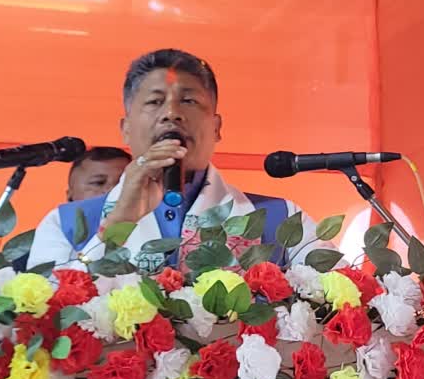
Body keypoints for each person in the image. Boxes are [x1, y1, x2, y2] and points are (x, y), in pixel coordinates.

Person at [25, 48, 333, 273]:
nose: (172, 113)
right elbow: (44, 320)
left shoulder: (280, 219)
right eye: (155, 101)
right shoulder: (66, 223)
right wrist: (118, 223)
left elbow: (340, 313)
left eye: (188, 100)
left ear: (216, 128)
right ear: (126, 130)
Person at [66, 146, 131, 202]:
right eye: (99, 183)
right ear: (70, 195)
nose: (113, 191)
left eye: (123, 183)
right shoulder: (56, 216)